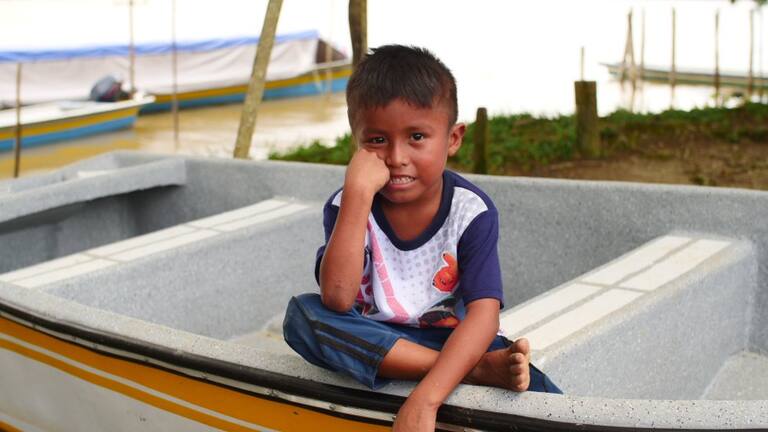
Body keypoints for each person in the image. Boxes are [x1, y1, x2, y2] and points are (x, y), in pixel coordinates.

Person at [283, 45, 561, 431]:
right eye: (376, 140)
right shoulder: (346, 203)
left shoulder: (471, 210)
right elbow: (337, 298)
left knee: (547, 400)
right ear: (355, 140)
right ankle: (478, 372)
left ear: (453, 138)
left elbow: (483, 315)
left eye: (416, 136)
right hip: (376, 337)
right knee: (303, 316)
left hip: (455, 341)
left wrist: (425, 399)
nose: (397, 157)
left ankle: (471, 366)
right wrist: (358, 196)